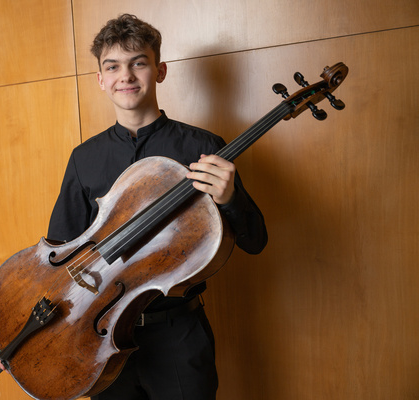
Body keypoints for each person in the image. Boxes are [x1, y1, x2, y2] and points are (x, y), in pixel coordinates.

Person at [46, 14, 268, 400]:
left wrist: (230, 198)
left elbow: (256, 241)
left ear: (160, 71)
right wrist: (31, 335)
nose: (125, 76)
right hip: (100, 335)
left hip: (177, 333)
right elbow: (57, 256)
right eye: (113, 66)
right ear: (101, 80)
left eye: (139, 63)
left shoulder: (204, 147)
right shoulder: (84, 158)